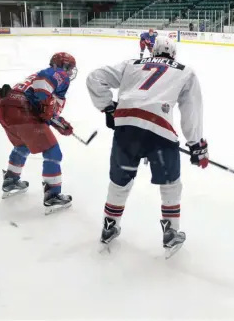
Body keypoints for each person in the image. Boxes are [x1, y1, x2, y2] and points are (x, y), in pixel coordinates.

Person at [86, 36, 208, 259]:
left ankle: (110, 224)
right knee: (170, 183)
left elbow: (94, 78)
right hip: (160, 131)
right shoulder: (185, 71)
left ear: (154, 52)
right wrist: (196, 144)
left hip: (126, 129)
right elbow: (192, 110)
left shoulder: (131, 64)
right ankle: (170, 231)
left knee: (120, 180)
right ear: (173, 55)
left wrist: (108, 107)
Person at [0, 53, 77, 214]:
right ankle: (53, 195)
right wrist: (51, 115)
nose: (70, 72)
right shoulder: (57, 74)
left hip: (4, 107)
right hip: (21, 110)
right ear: (63, 66)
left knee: (23, 144)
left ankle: (11, 180)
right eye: (70, 68)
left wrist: (59, 122)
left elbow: (45, 110)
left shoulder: (37, 80)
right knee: (52, 150)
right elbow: (44, 84)